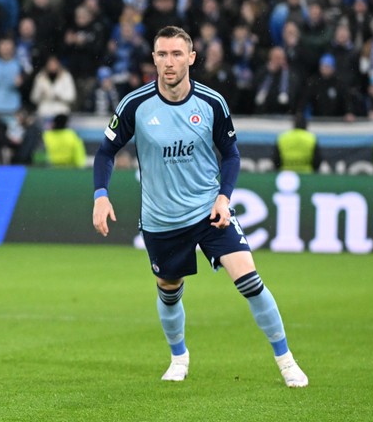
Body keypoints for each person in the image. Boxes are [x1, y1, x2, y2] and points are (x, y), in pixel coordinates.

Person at [91, 26, 309, 388]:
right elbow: (106, 152)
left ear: (191, 57)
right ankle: (179, 357)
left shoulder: (211, 103)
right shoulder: (135, 104)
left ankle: (286, 361)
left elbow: (232, 154)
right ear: (154, 59)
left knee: (250, 280)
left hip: (209, 211)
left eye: (177, 54)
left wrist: (224, 197)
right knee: (169, 290)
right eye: (162, 54)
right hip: (162, 219)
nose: (169, 62)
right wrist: (101, 194)